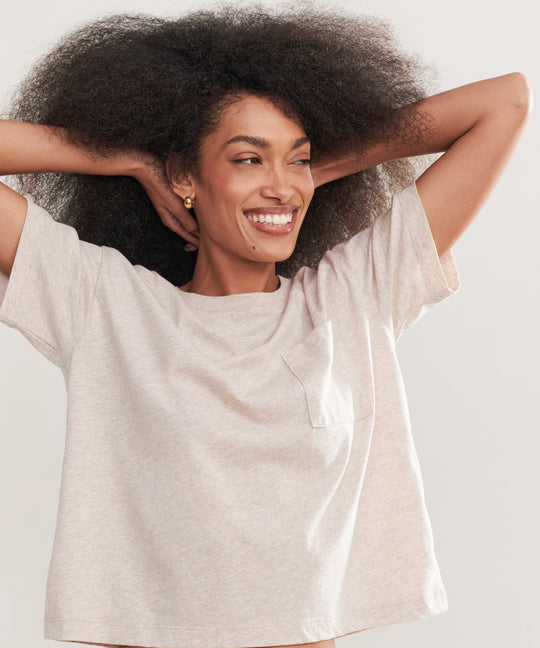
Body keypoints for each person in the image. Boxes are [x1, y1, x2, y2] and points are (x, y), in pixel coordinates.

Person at [0, 6, 532, 648]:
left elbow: (506, 102)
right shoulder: (105, 303)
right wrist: (129, 158)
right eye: (250, 159)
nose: (281, 188)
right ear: (186, 175)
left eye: (294, 160)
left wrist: (331, 162)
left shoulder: (355, 294)